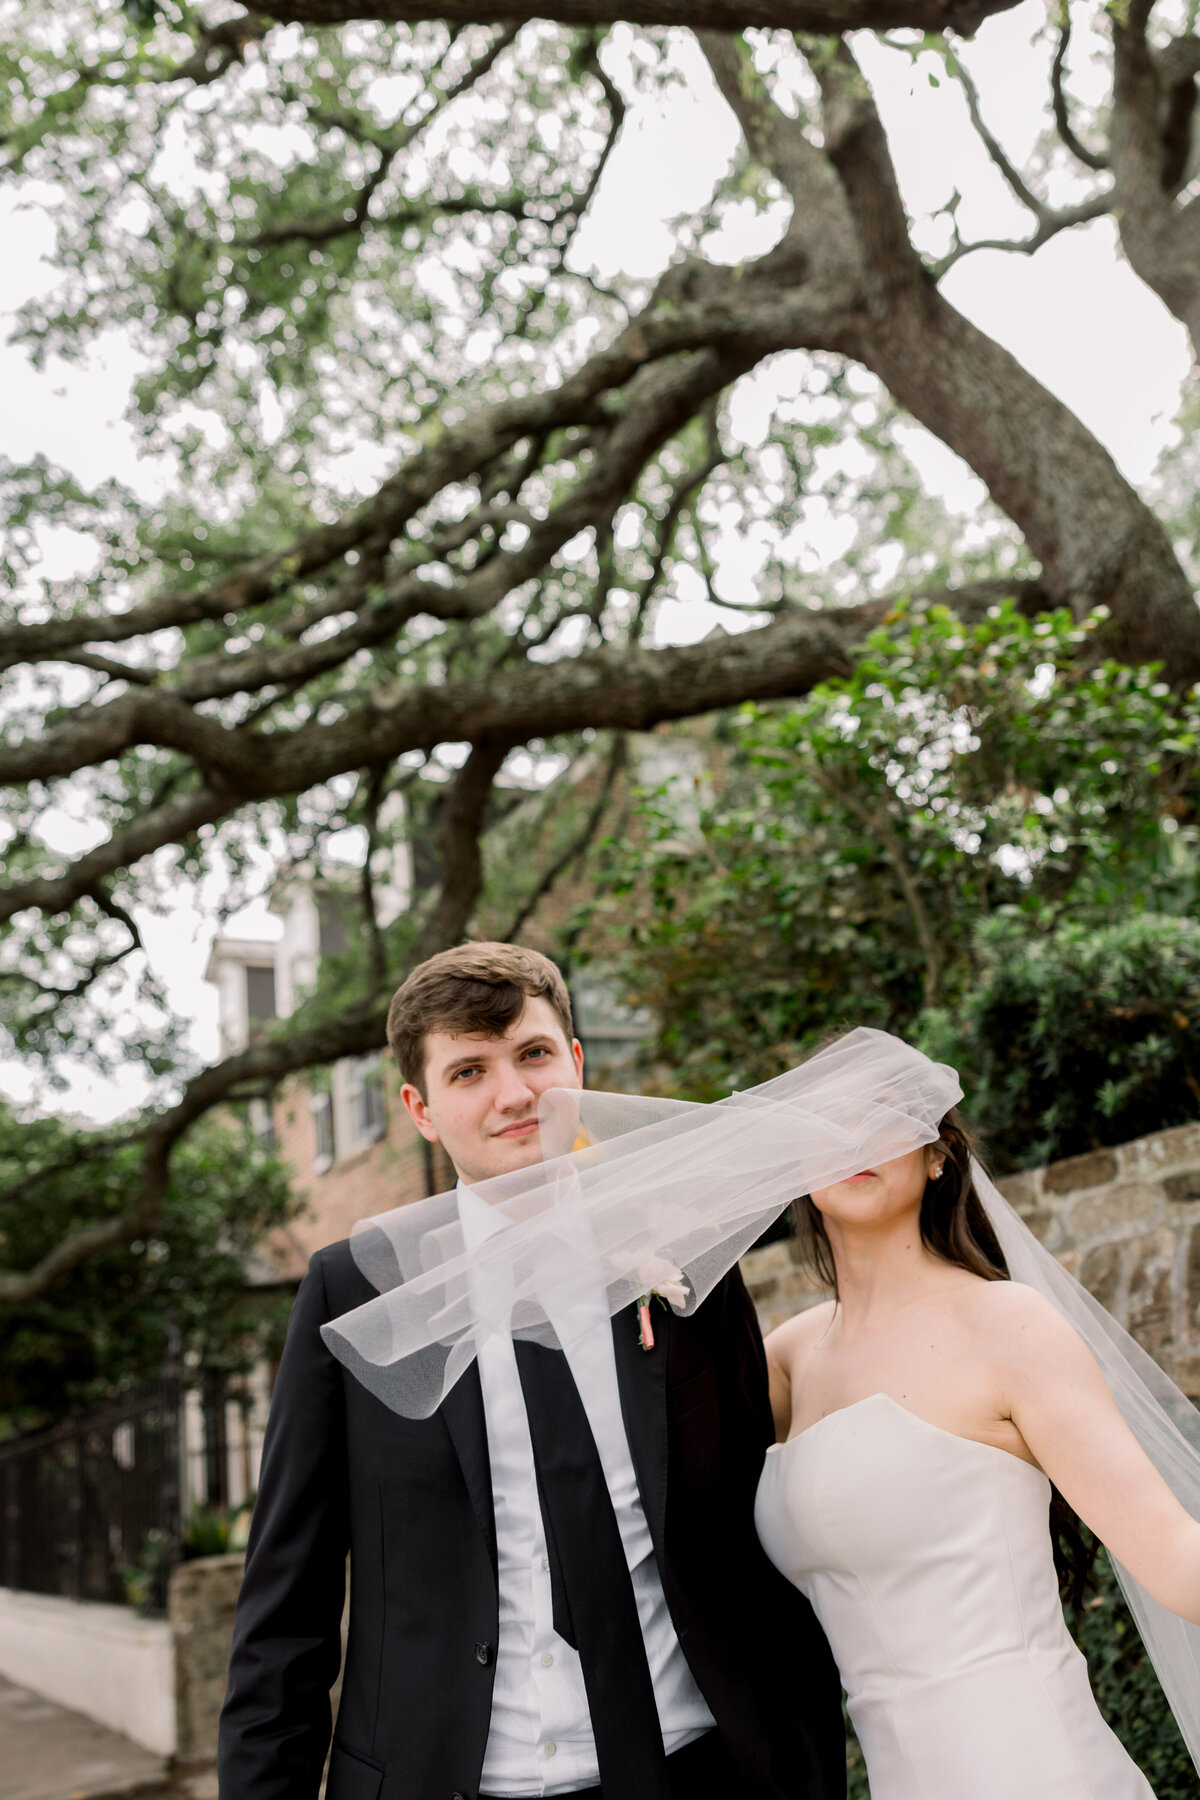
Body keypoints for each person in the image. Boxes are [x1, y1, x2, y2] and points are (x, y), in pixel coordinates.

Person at [218, 942, 845, 1800]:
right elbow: (285, 1611)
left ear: (577, 1065)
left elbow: (754, 1546)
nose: (513, 1095)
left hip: (700, 1770)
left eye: (534, 1054)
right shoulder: (351, 1291)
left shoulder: (684, 1255)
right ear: (421, 1109)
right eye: (469, 1071)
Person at [756, 1104, 1200, 1800]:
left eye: (882, 1116)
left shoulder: (1008, 1324)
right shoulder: (788, 1359)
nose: (852, 1139)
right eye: (829, 1118)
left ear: (939, 1154)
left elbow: (1175, 1560)